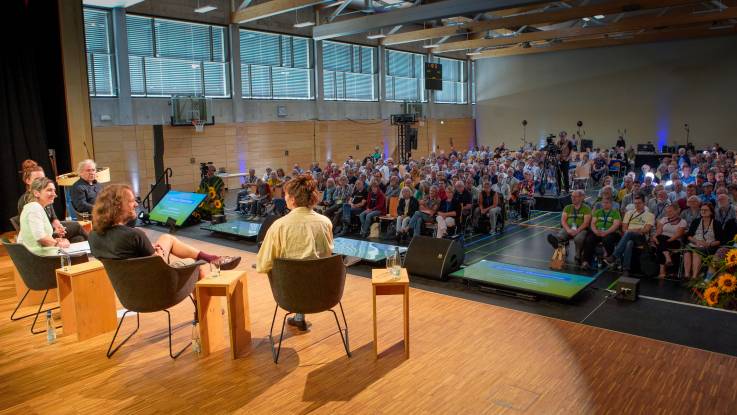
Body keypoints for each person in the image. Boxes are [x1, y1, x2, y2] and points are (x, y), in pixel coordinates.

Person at [89, 184, 240, 276]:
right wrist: (158, 253)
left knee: (167, 238)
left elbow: (124, 255)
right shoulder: (134, 235)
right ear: (118, 206)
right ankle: (206, 316)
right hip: (157, 287)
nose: (136, 204)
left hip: (127, 290)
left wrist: (148, 250)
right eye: (131, 201)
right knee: (194, 266)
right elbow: (159, 265)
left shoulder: (93, 236)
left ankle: (212, 258)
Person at [256, 174, 334, 331]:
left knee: (292, 271)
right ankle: (300, 317)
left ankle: (299, 315)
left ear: (292, 199)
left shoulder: (279, 226)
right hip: (323, 293)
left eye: (285, 194)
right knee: (306, 268)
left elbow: (262, 265)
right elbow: (325, 256)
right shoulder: (326, 223)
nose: (284, 198)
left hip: (289, 296)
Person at [17, 160, 87, 243]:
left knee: (79, 239)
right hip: (42, 235)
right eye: (37, 179)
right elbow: (38, 234)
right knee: (76, 226)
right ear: (28, 181)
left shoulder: (44, 196)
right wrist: (56, 237)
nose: (41, 181)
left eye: (43, 178)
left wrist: (58, 226)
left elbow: (52, 217)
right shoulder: (29, 204)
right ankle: (97, 246)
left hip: (49, 229)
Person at [605, 194, 655, 277]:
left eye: (639, 203)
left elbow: (646, 230)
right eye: (635, 203)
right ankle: (626, 269)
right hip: (629, 237)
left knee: (629, 233)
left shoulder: (650, 215)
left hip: (641, 238)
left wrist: (633, 230)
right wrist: (636, 230)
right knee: (629, 243)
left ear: (644, 203)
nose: (637, 205)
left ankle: (614, 256)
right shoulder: (629, 213)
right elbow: (624, 229)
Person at [18, 178, 70, 256]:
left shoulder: (34, 207)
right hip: (40, 257)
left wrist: (54, 240)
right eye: (49, 190)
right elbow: (40, 238)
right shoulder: (34, 208)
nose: (54, 194)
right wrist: (58, 244)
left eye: (54, 190)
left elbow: (35, 237)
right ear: (36, 193)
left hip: (38, 254)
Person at [547, 190, 591, 264]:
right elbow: (563, 221)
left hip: (581, 229)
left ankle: (578, 255)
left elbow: (586, 223)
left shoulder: (586, 208)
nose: (573, 198)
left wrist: (577, 230)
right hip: (568, 228)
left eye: (575, 197)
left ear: (581, 198)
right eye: (572, 196)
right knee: (560, 236)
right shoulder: (567, 207)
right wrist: (568, 230)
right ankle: (559, 245)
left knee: (578, 239)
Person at [683, 203, 723, 279]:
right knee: (687, 250)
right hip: (695, 243)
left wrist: (709, 244)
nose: (703, 211)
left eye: (706, 210)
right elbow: (689, 236)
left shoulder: (716, 223)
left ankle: (694, 276)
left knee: (697, 251)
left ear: (711, 212)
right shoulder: (696, 221)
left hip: (709, 246)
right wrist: (696, 241)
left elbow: (720, 240)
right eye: (701, 210)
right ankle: (687, 275)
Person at [582, 197, 622, 269]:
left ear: (611, 204)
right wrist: (595, 231)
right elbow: (593, 224)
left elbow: (616, 225)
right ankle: (586, 262)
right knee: (589, 239)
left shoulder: (615, 213)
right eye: (603, 203)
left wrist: (606, 232)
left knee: (607, 239)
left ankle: (611, 258)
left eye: (607, 203)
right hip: (598, 232)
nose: (605, 204)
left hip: (610, 232)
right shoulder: (598, 212)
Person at [652, 204, 687, 278]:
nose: (668, 213)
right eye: (667, 211)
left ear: (677, 211)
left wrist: (665, 241)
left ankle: (662, 271)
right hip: (661, 240)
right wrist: (654, 237)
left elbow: (678, 235)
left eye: (670, 211)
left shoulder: (682, 221)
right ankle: (667, 257)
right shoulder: (664, 219)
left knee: (661, 244)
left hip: (674, 241)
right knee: (660, 238)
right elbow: (659, 231)